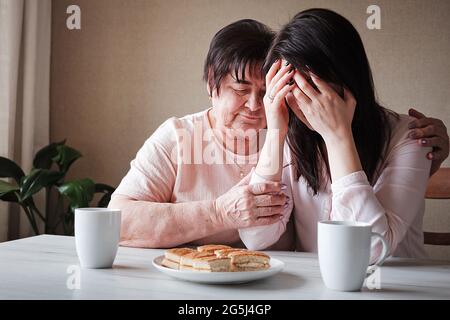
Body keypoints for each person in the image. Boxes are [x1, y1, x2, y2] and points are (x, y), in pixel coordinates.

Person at [109, 17, 449, 251]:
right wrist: (221, 212)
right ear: (210, 84)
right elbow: (118, 222)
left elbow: (371, 246)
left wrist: (338, 135)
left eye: (267, 90)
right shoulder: (181, 137)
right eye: (241, 90)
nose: (256, 105)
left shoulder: (296, 130)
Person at [238, 8, 448, 259]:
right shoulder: (291, 137)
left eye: (312, 87)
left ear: (346, 77)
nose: (303, 101)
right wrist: (274, 133)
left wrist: (338, 137)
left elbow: (372, 251)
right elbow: (255, 239)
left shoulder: (410, 135)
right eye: (291, 86)